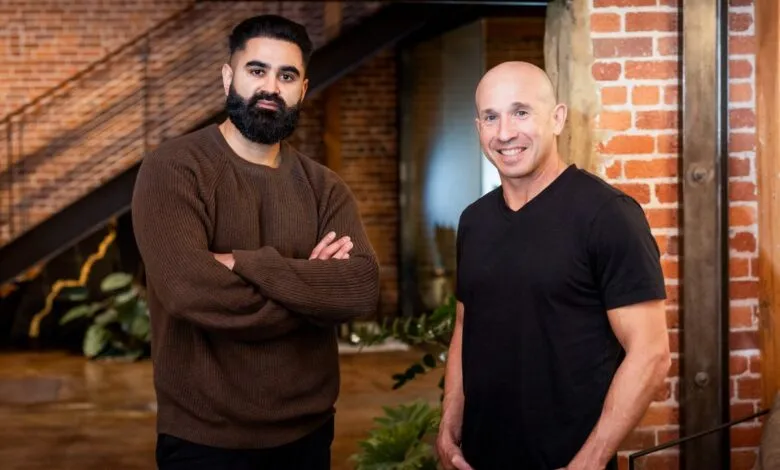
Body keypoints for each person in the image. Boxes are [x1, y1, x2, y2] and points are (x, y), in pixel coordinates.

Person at [131, 14, 380, 470]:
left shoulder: (325, 187)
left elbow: (360, 287)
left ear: (302, 89)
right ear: (229, 76)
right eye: (256, 70)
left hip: (307, 434)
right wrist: (310, 289)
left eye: (287, 76)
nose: (271, 87)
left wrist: (243, 264)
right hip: (204, 439)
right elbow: (189, 290)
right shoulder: (173, 169)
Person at [435, 61, 672, 470]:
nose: (505, 132)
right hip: (479, 457)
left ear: (557, 118)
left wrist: (591, 461)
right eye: (491, 117)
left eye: (521, 112)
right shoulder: (474, 220)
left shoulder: (607, 215)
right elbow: (465, 324)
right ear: (479, 128)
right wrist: (449, 421)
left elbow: (651, 354)